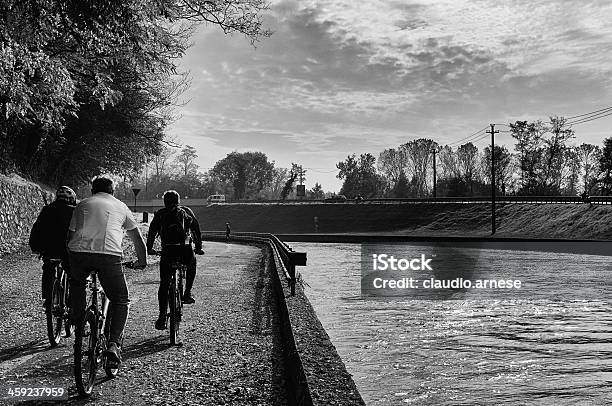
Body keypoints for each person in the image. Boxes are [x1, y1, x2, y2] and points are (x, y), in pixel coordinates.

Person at [68, 177, 147, 367]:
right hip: (108, 255)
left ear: (92, 190)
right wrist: (142, 262)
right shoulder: (121, 206)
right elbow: (137, 239)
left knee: (77, 283)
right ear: (112, 191)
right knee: (120, 299)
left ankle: (78, 322)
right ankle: (113, 345)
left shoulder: (82, 204)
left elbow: (70, 234)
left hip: (78, 252)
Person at [146, 190, 204, 330]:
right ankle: (187, 292)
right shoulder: (186, 211)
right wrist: (198, 247)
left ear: (164, 201)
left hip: (167, 251)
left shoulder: (160, 214)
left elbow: (152, 232)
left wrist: (149, 249)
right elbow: (196, 229)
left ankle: (161, 316)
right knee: (192, 262)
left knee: (164, 284)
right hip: (185, 250)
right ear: (179, 201)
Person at [29, 186, 77, 311]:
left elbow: (37, 229)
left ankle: (47, 298)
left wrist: (35, 247)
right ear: (72, 199)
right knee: (74, 274)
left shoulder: (47, 209)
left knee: (48, 269)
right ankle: (73, 303)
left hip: (50, 250)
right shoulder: (75, 211)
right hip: (68, 250)